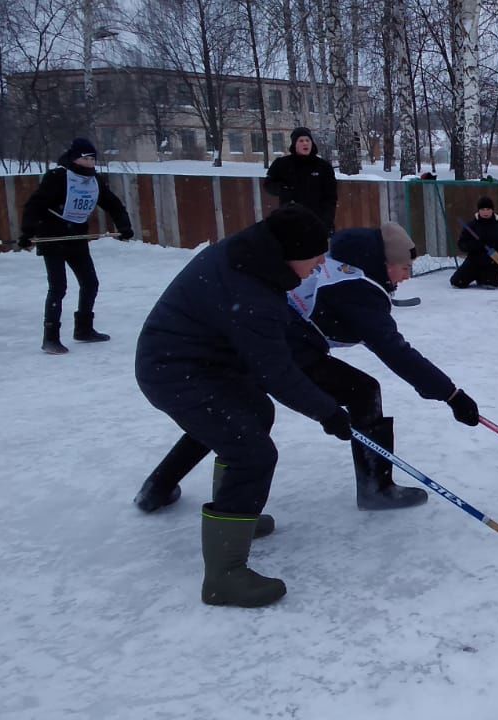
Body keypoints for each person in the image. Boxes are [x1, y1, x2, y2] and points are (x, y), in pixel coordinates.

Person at [133, 222, 481, 515]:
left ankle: (158, 485)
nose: (407, 277)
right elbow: (397, 353)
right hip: (281, 343)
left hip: (263, 339)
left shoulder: (345, 262)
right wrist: (451, 395)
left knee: (225, 417)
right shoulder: (358, 291)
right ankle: (377, 487)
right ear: (386, 263)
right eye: (405, 268)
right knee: (362, 391)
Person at [135, 205, 349, 608]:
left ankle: (238, 518)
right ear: (290, 252)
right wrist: (329, 412)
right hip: (173, 370)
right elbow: (276, 373)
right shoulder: (250, 290)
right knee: (251, 452)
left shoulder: (254, 259)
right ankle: (224, 576)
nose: (322, 264)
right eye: (316, 256)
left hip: (205, 361)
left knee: (256, 413)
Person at [20, 137, 134, 355]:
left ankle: (84, 328)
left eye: (93, 158)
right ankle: (50, 337)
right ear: (75, 158)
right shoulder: (58, 177)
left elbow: (113, 204)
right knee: (58, 287)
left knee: (90, 283)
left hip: (76, 238)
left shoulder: (95, 181)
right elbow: (35, 205)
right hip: (52, 237)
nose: (90, 162)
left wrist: (124, 227)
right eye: (86, 158)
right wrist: (28, 233)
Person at [263, 127, 338, 231]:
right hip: (290, 220)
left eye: (308, 140)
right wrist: (283, 189)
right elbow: (268, 184)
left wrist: (327, 222)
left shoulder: (323, 167)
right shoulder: (282, 164)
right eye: (301, 141)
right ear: (294, 144)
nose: (305, 143)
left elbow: (330, 197)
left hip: (316, 221)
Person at [450, 196, 498, 289]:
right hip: (474, 261)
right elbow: (461, 244)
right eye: (482, 209)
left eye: (488, 209)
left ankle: (487, 277)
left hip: (493, 263)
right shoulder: (472, 225)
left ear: (492, 210)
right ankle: (475, 275)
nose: (485, 212)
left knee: (490, 284)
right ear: (478, 210)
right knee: (456, 282)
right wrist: (474, 245)